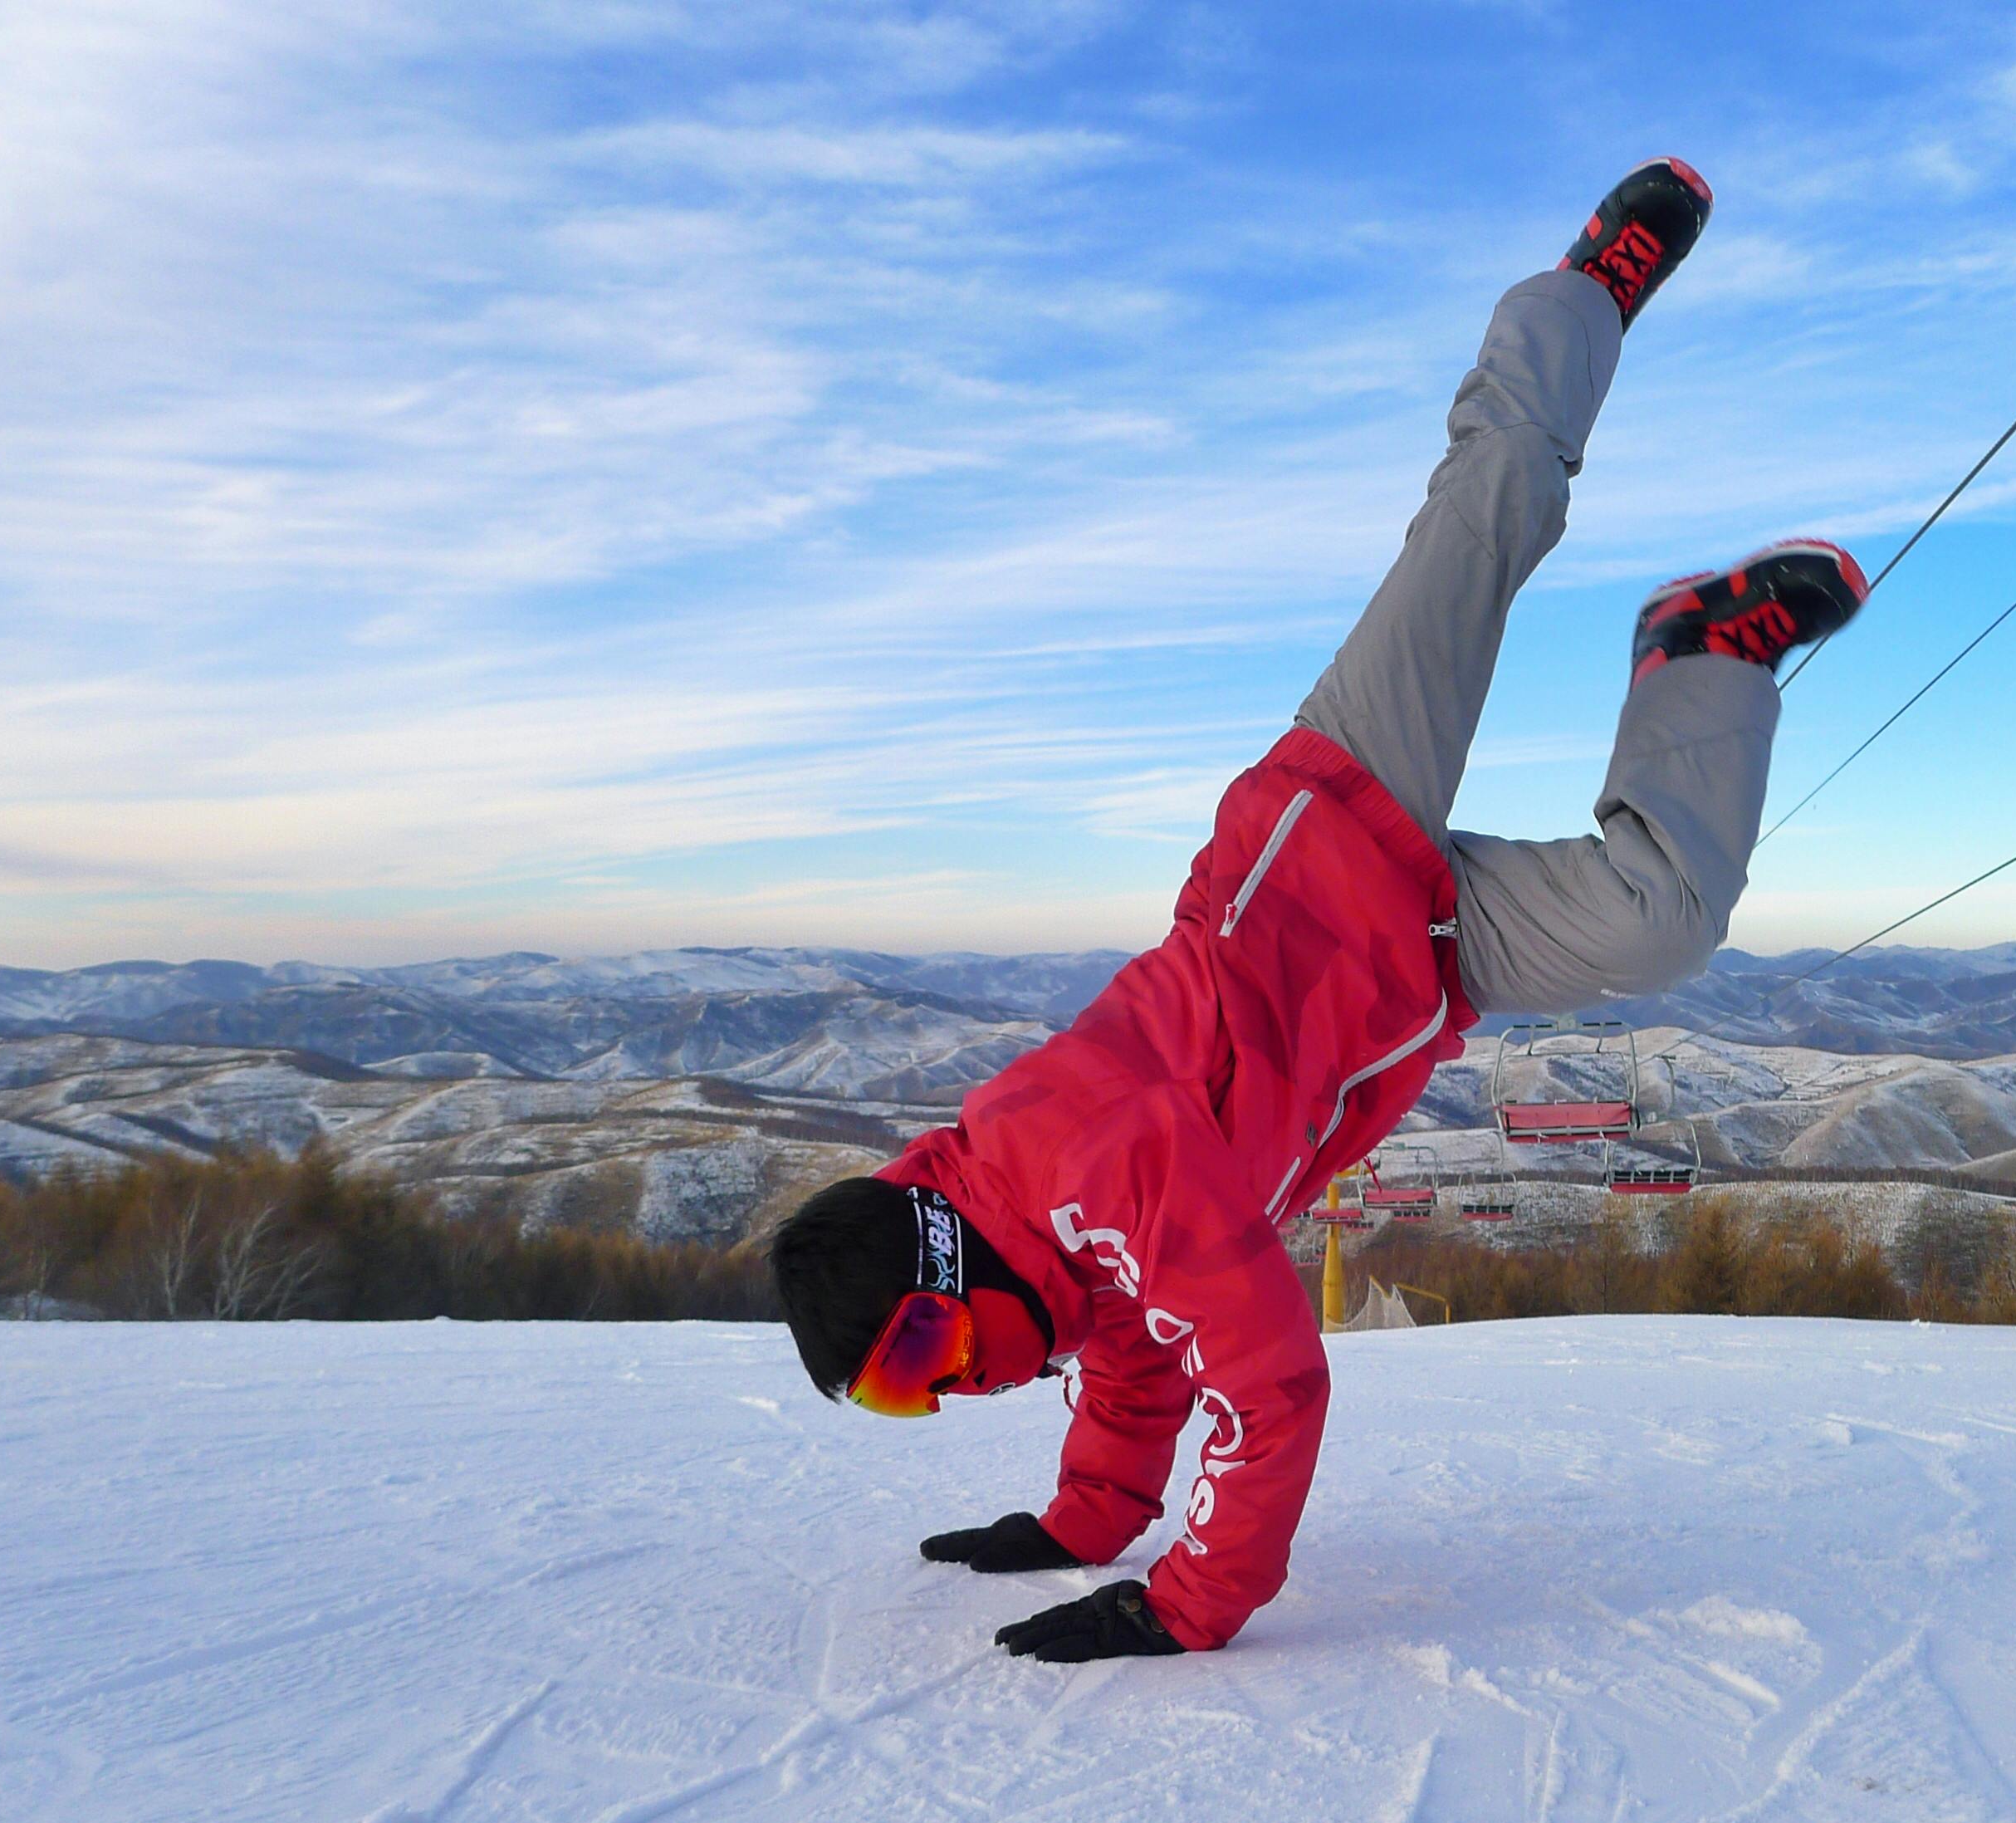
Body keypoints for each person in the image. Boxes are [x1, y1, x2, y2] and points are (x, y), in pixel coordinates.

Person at [766, 159, 1866, 1664]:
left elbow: (1264, 1377)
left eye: (914, 1353)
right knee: (1663, 919)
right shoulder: (1037, 1246)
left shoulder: (1079, 1165)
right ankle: (1704, 652)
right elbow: (1138, 1332)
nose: (943, 1389)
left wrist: (1185, 1601)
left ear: (941, 1266)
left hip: (1331, 824)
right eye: (906, 1392)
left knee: (1489, 516)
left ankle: (1584, 292)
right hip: (1417, 957)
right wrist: (1084, 1521)